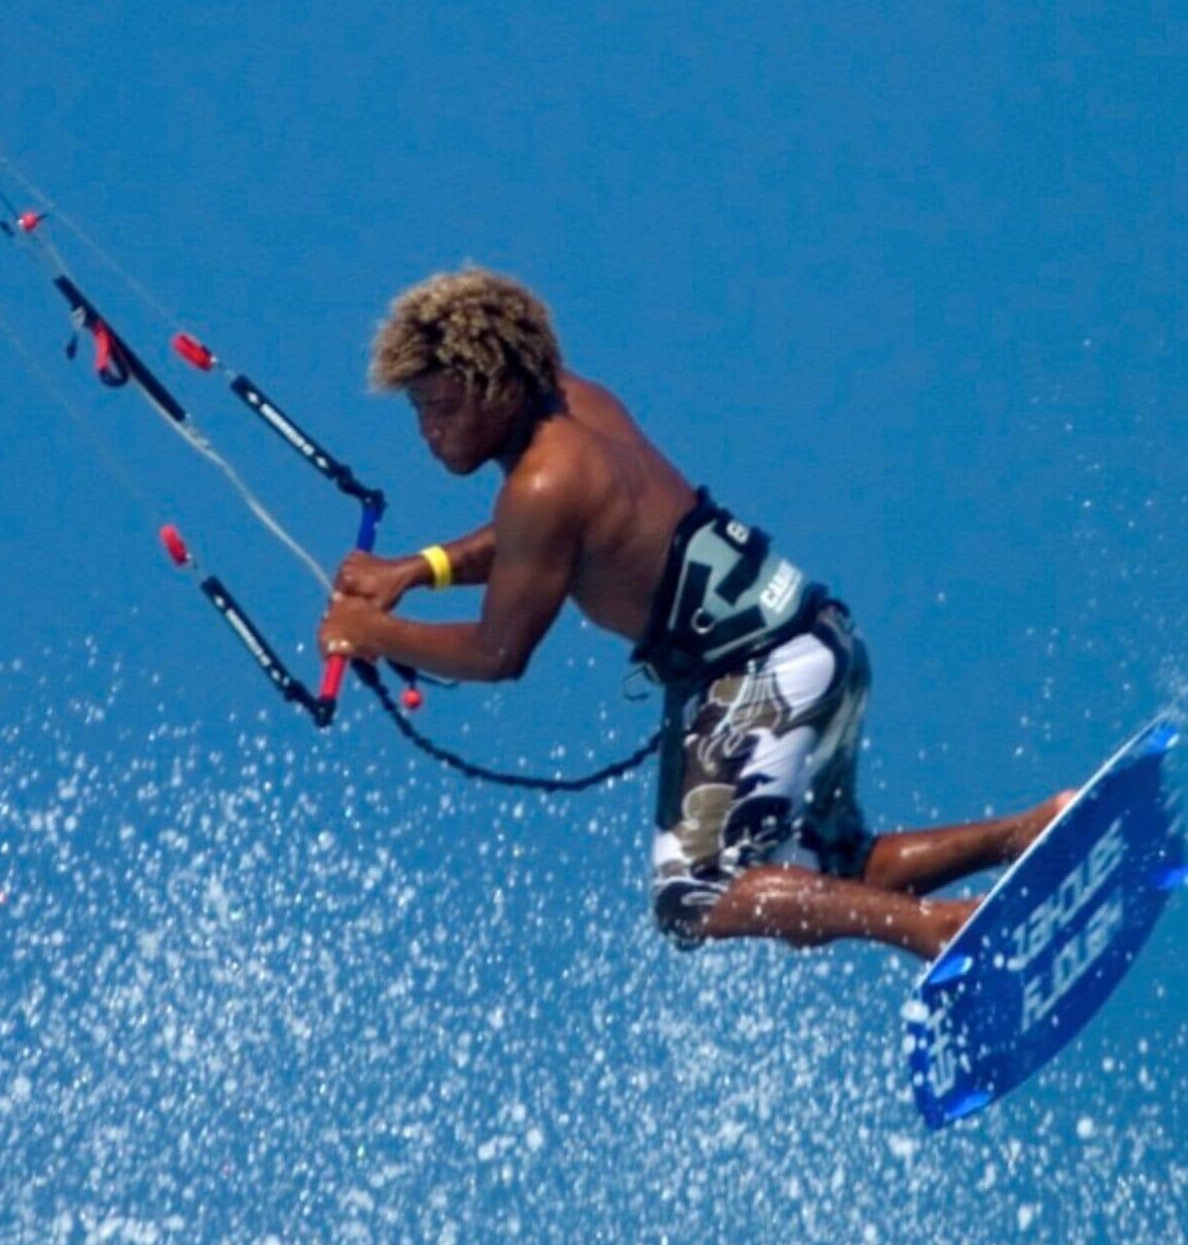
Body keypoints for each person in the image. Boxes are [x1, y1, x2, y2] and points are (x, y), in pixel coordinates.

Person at [319, 268, 1062, 960]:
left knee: (694, 896)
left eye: (445, 407)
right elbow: (530, 545)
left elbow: (497, 653)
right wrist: (420, 570)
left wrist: (371, 633)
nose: (429, 430)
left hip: (752, 673)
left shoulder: (542, 484)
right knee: (831, 866)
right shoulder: (577, 407)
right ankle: (1030, 832)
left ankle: (938, 927)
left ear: (500, 382)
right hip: (817, 640)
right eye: (419, 410)